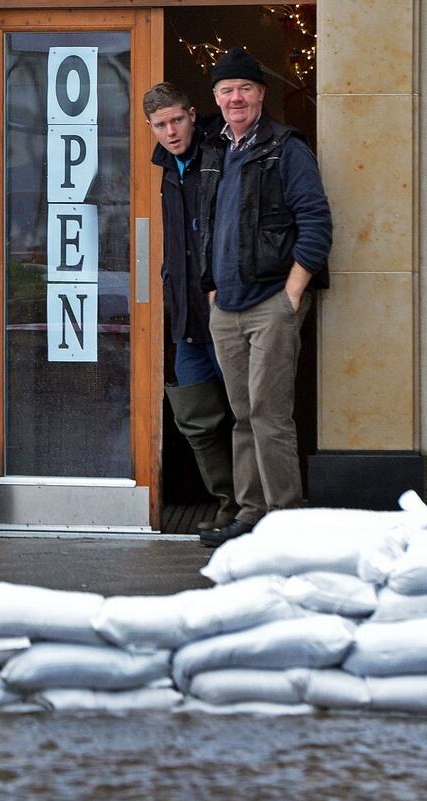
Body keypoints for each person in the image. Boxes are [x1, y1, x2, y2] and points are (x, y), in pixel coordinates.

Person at [196, 47, 333, 548]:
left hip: (272, 302)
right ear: (216, 97)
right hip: (226, 307)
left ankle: (284, 518)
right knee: (241, 416)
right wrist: (211, 289)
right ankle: (251, 512)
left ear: (261, 95)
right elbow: (209, 227)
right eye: (226, 90)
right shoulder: (218, 152)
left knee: (269, 415)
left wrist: (292, 294)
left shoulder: (286, 148)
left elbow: (316, 223)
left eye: (244, 89)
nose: (235, 98)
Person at [143, 83, 238, 532]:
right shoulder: (165, 168)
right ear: (150, 128)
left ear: (193, 114)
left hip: (227, 312)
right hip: (186, 318)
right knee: (197, 421)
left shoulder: (219, 156)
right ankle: (228, 507)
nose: (170, 131)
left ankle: (254, 513)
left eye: (177, 120)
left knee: (246, 414)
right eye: (160, 125)